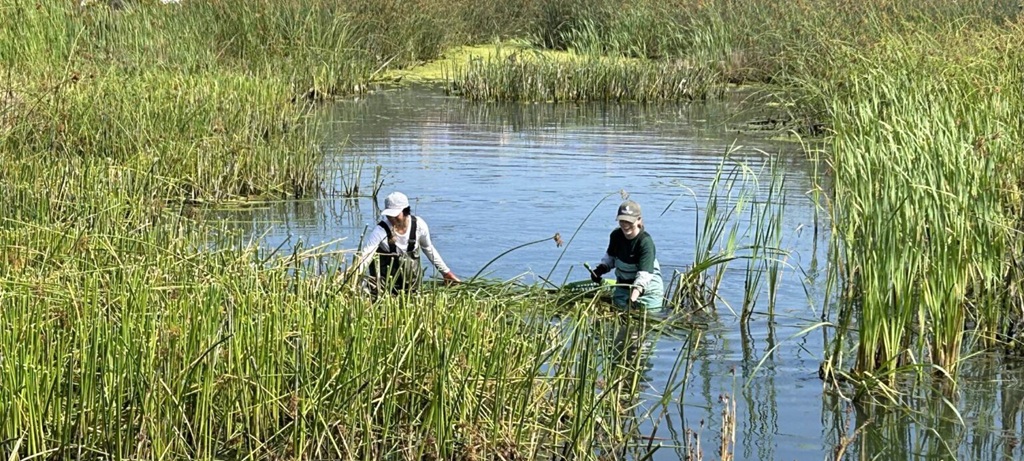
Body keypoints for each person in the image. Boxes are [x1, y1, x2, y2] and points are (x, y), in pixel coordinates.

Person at [350, 191, 460, 294]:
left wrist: (446, 273)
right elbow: (366, 255)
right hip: (384, 288)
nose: (392, 218)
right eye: (389, 215)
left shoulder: (419, 226)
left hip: (412, 287)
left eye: (395, 215)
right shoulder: (380, 230)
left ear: (405, 211)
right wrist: (353, 277)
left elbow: (428, 249)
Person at [589, 199, 664, 309]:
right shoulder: (616, 236)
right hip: (623, 288)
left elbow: (644, 276)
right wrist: (600, 269)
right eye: (622, 221)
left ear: (639, 220)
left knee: (648, 321)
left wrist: (632, 299)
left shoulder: (645, 242)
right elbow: (611, 258)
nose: (625, 225)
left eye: (629, 221)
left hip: (648, 291)